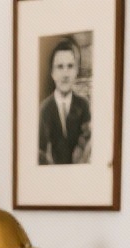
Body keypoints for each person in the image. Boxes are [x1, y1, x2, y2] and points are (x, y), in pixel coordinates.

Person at [39, 36, 91, 166]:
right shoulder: (44, 109)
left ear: (76, 71)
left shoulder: (84, 106)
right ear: (52, 72)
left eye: (70, 66)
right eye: (60, 67)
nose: (65, 73)